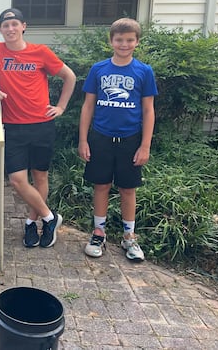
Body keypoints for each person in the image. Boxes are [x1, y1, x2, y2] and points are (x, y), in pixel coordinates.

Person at [0, 8, 76, 248]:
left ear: (23, 26)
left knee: (40, 176)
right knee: (16, 180)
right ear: (0, 30)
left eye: (15, 24)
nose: (10, 29)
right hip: (13, 125)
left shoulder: (41, 52)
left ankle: (33, 223)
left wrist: (61, 107)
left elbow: (69, 77)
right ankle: (50, 217)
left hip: (41, 124)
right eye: (6, 25)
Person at [78, 17, 157, 262]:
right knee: (101, 185)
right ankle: (99, 232)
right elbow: (88, 106)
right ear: (111, 41)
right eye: (119, 39)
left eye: (129, 40)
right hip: (101, 137)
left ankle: (128, 237)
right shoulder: (98, 69)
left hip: (130, 139)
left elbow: (148, 110)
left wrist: (145, 145)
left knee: (127, 188)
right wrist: (83, 139)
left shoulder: (144, 71)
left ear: (137, 42)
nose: (124, 44)